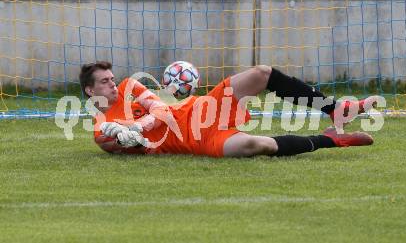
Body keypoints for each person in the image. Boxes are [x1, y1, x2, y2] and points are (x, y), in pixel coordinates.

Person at [79, 61, 374, 158]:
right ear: (90, 91)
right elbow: (115, 146)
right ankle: (332, 139)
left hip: (202, 109)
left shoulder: (131, 85)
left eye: (112, 79)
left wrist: (138, 127)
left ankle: (335, 109)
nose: (113, 85)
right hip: (197, 141)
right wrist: (125, 139)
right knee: (255, 144)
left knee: (261, 73)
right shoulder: (100, 130)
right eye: (105, 82)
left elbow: (161, 110)